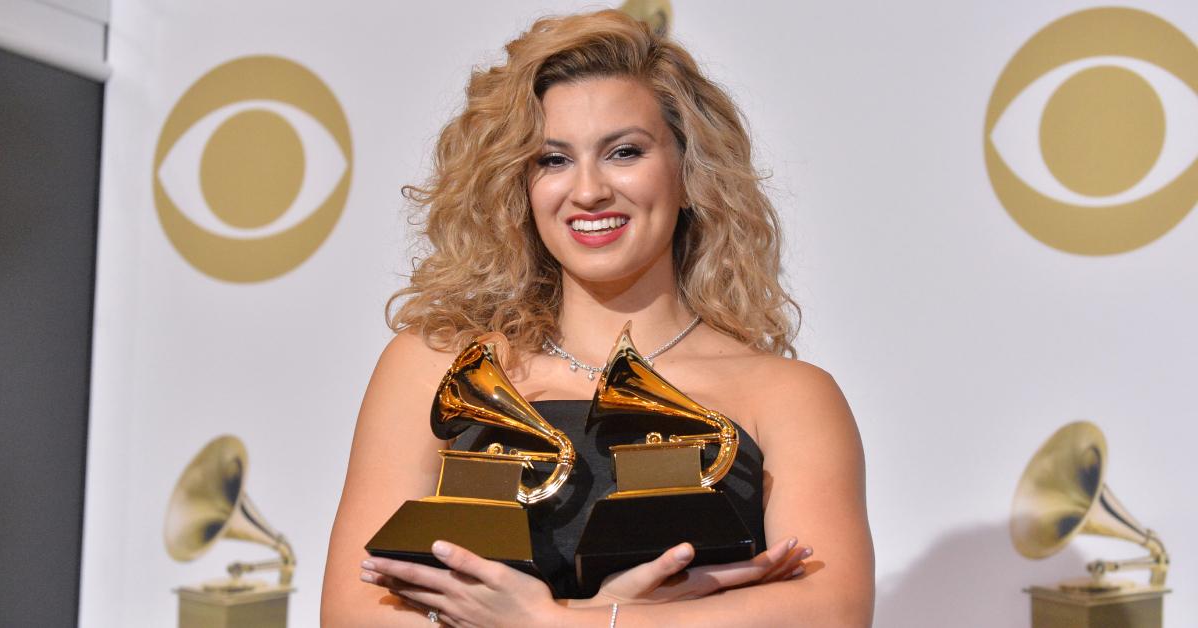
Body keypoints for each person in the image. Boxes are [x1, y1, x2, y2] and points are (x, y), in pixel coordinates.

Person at [322, 9, 873, 626]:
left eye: (624, 152)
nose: (588, 191)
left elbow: (831, 611)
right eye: (552, 160)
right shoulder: (431, 365)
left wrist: (554, 622)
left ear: (689, 173)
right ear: (519, 186)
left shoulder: (791, 396)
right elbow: (356, 610)